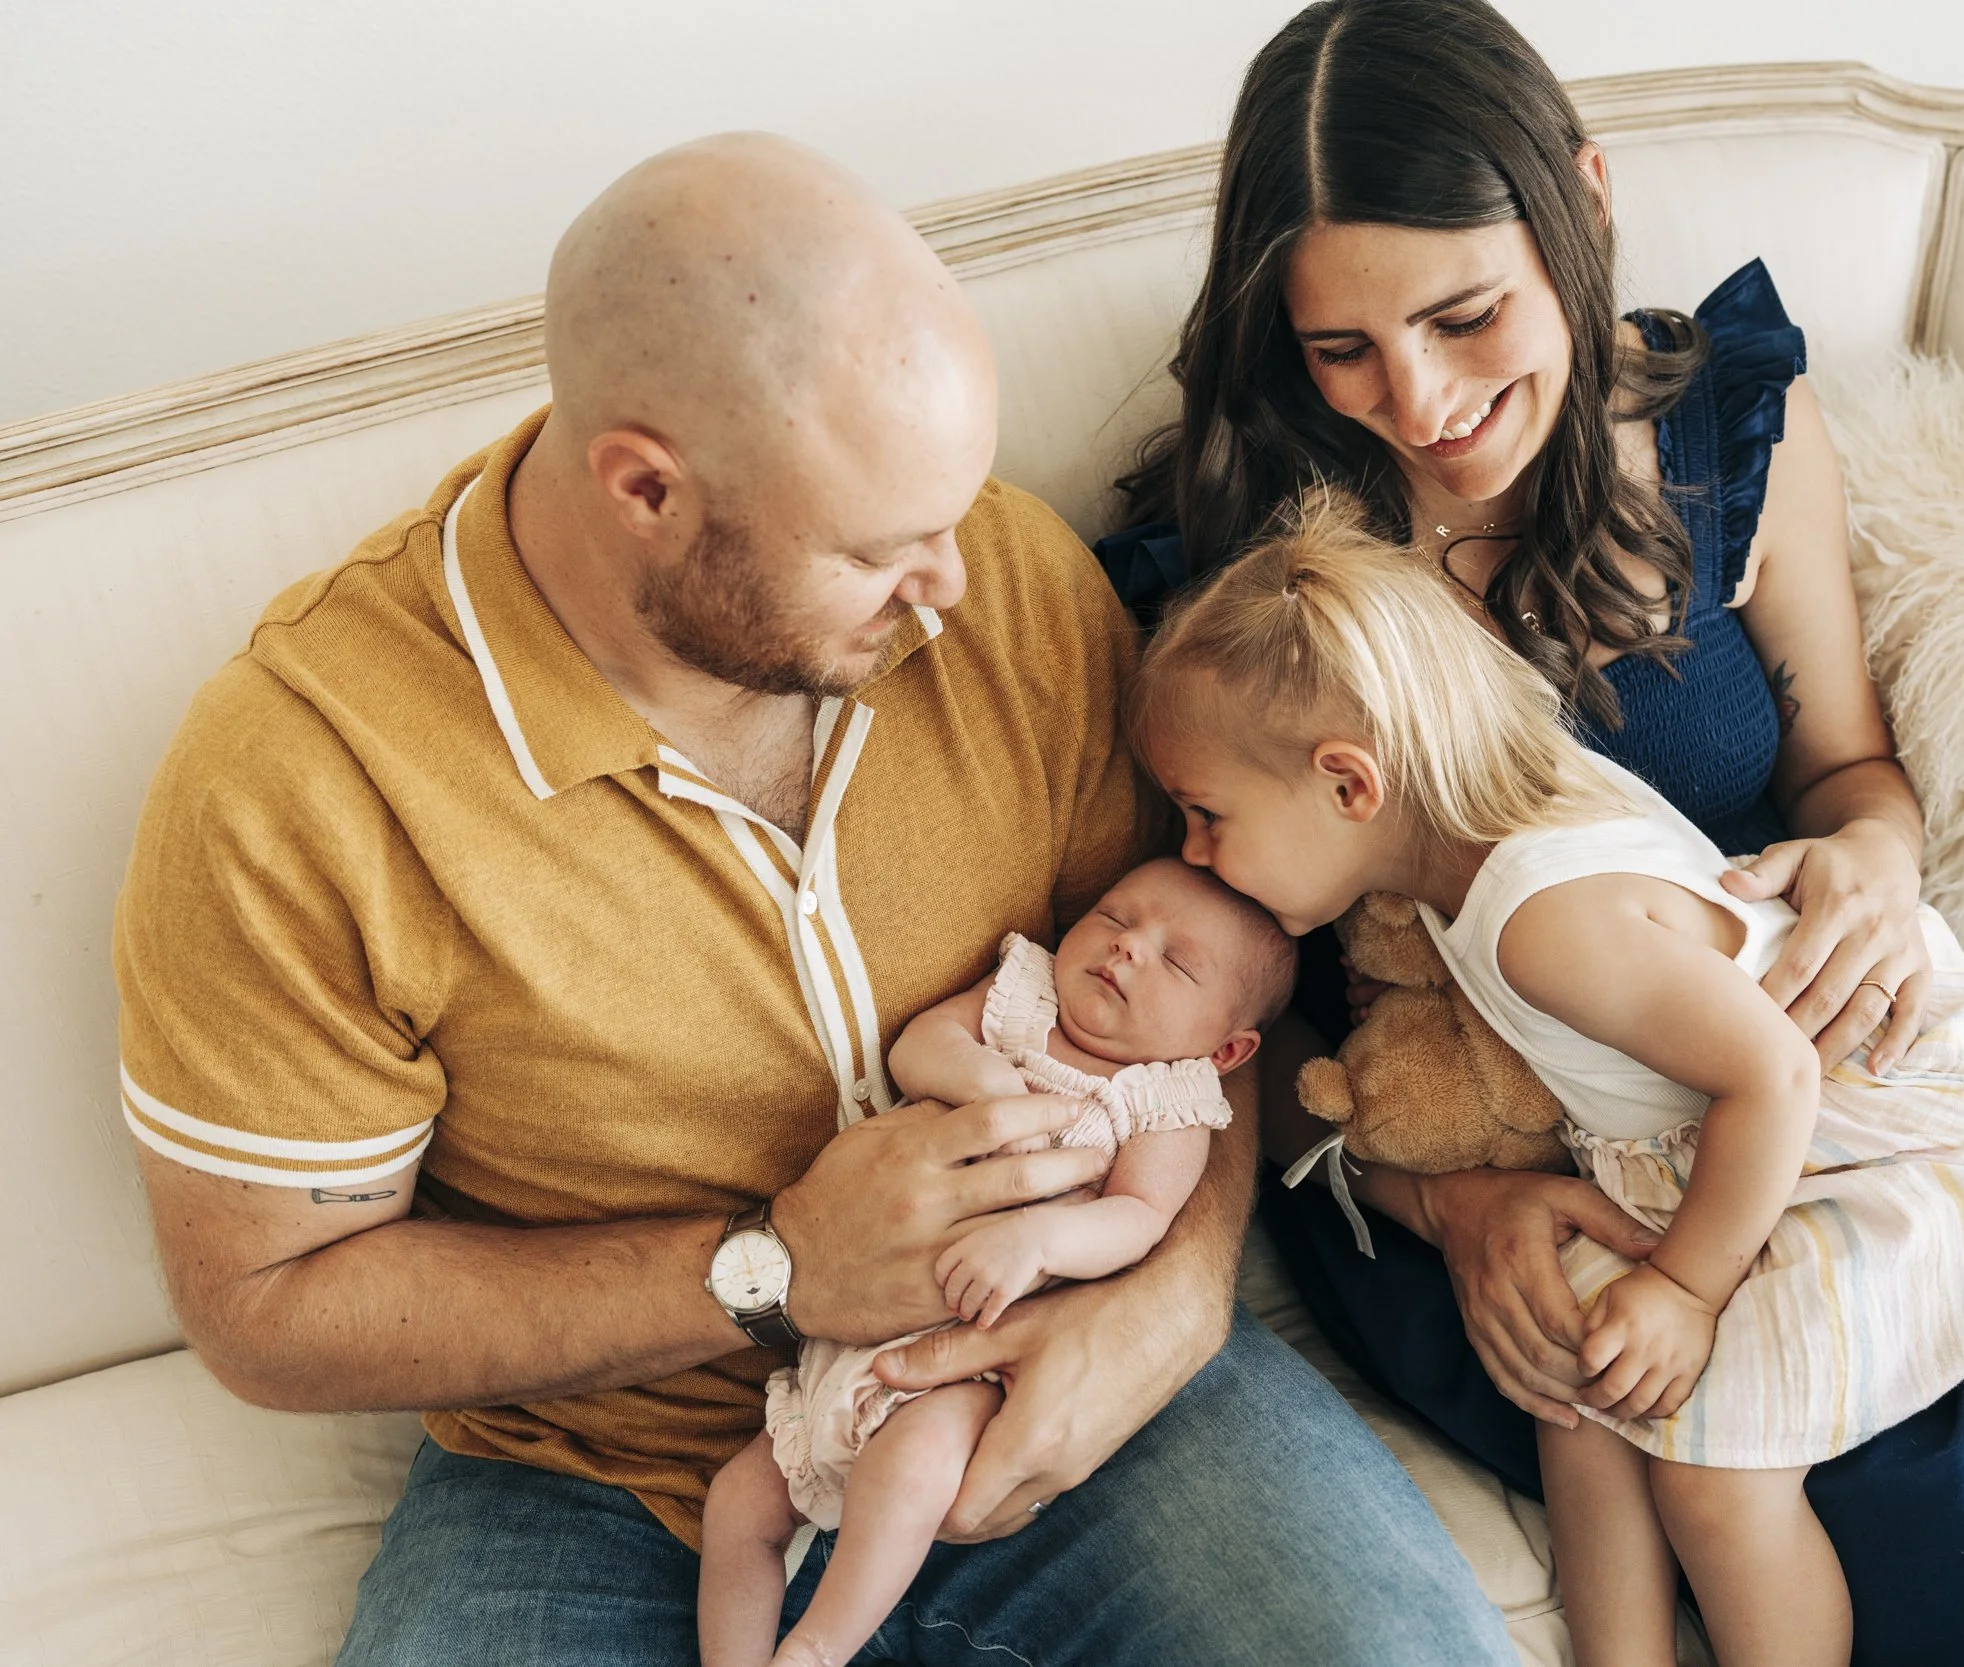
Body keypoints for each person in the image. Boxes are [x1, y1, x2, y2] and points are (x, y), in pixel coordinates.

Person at [1099, 2, 1964, 1660]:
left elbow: (1848, 771)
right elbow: (1213, 1005)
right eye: (1338, 348)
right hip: (1515, 1182)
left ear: (1579, 204)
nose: (1418, 401)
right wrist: (1449, 1208)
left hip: (1811, 1104)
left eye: (1464, 314)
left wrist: (1875, 856)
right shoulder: (1239, 588)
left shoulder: (1733, 446)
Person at [114, 133, 1515, 1665]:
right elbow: (265, 1304)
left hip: (1050, 1351)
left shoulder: (1011, 587)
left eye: (953, 515)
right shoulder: (300, 779)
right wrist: (771, 1267)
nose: (954, 587)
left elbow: (1198, 989)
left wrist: (1172, 1294)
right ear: (647, 489)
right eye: (878, 551)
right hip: (602, 1472)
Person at [1130, 495, 1964, 1667]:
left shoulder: (1543, 919)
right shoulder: (1454, 845)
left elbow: (1773, 1075)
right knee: (1579, 1383)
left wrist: (1690, 1292)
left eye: (1206, 816)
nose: (1192, 855)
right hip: (1696, 1135)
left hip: (1860, 1123)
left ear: (1351, 784)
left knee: (1716, 1479)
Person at [699, 858, 1295, 1667]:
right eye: (1117, 918)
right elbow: (921, 1044)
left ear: (1227, 1047)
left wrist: (1039, 1241)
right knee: (739, 1502)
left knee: (907, 1470)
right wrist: (981, 1078)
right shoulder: (1024, 992)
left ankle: (815, 1648)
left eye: (1176, 961)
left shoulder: (1166, 1100)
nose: (1127, 950)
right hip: (846, 1332)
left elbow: (1140, 1216)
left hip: (969, 1364)